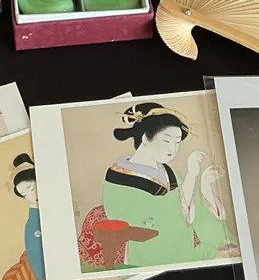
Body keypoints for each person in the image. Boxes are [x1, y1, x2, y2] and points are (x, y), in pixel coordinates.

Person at [97, 102, 230, 269]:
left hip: (186, 251)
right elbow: (140, 220)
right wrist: (190, 178)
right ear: (145, 138)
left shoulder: (171, 173)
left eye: (177, 142)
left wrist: (205, 187)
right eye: (166, 140)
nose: (173, 148)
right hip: (148, 257)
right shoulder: (118, 177)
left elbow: (196, 211)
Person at [1, 153, 80, 280]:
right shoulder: (32, 225)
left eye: (31, 188)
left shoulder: (60, 202)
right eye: (25, 194)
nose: (31, 195)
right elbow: (38, 262)